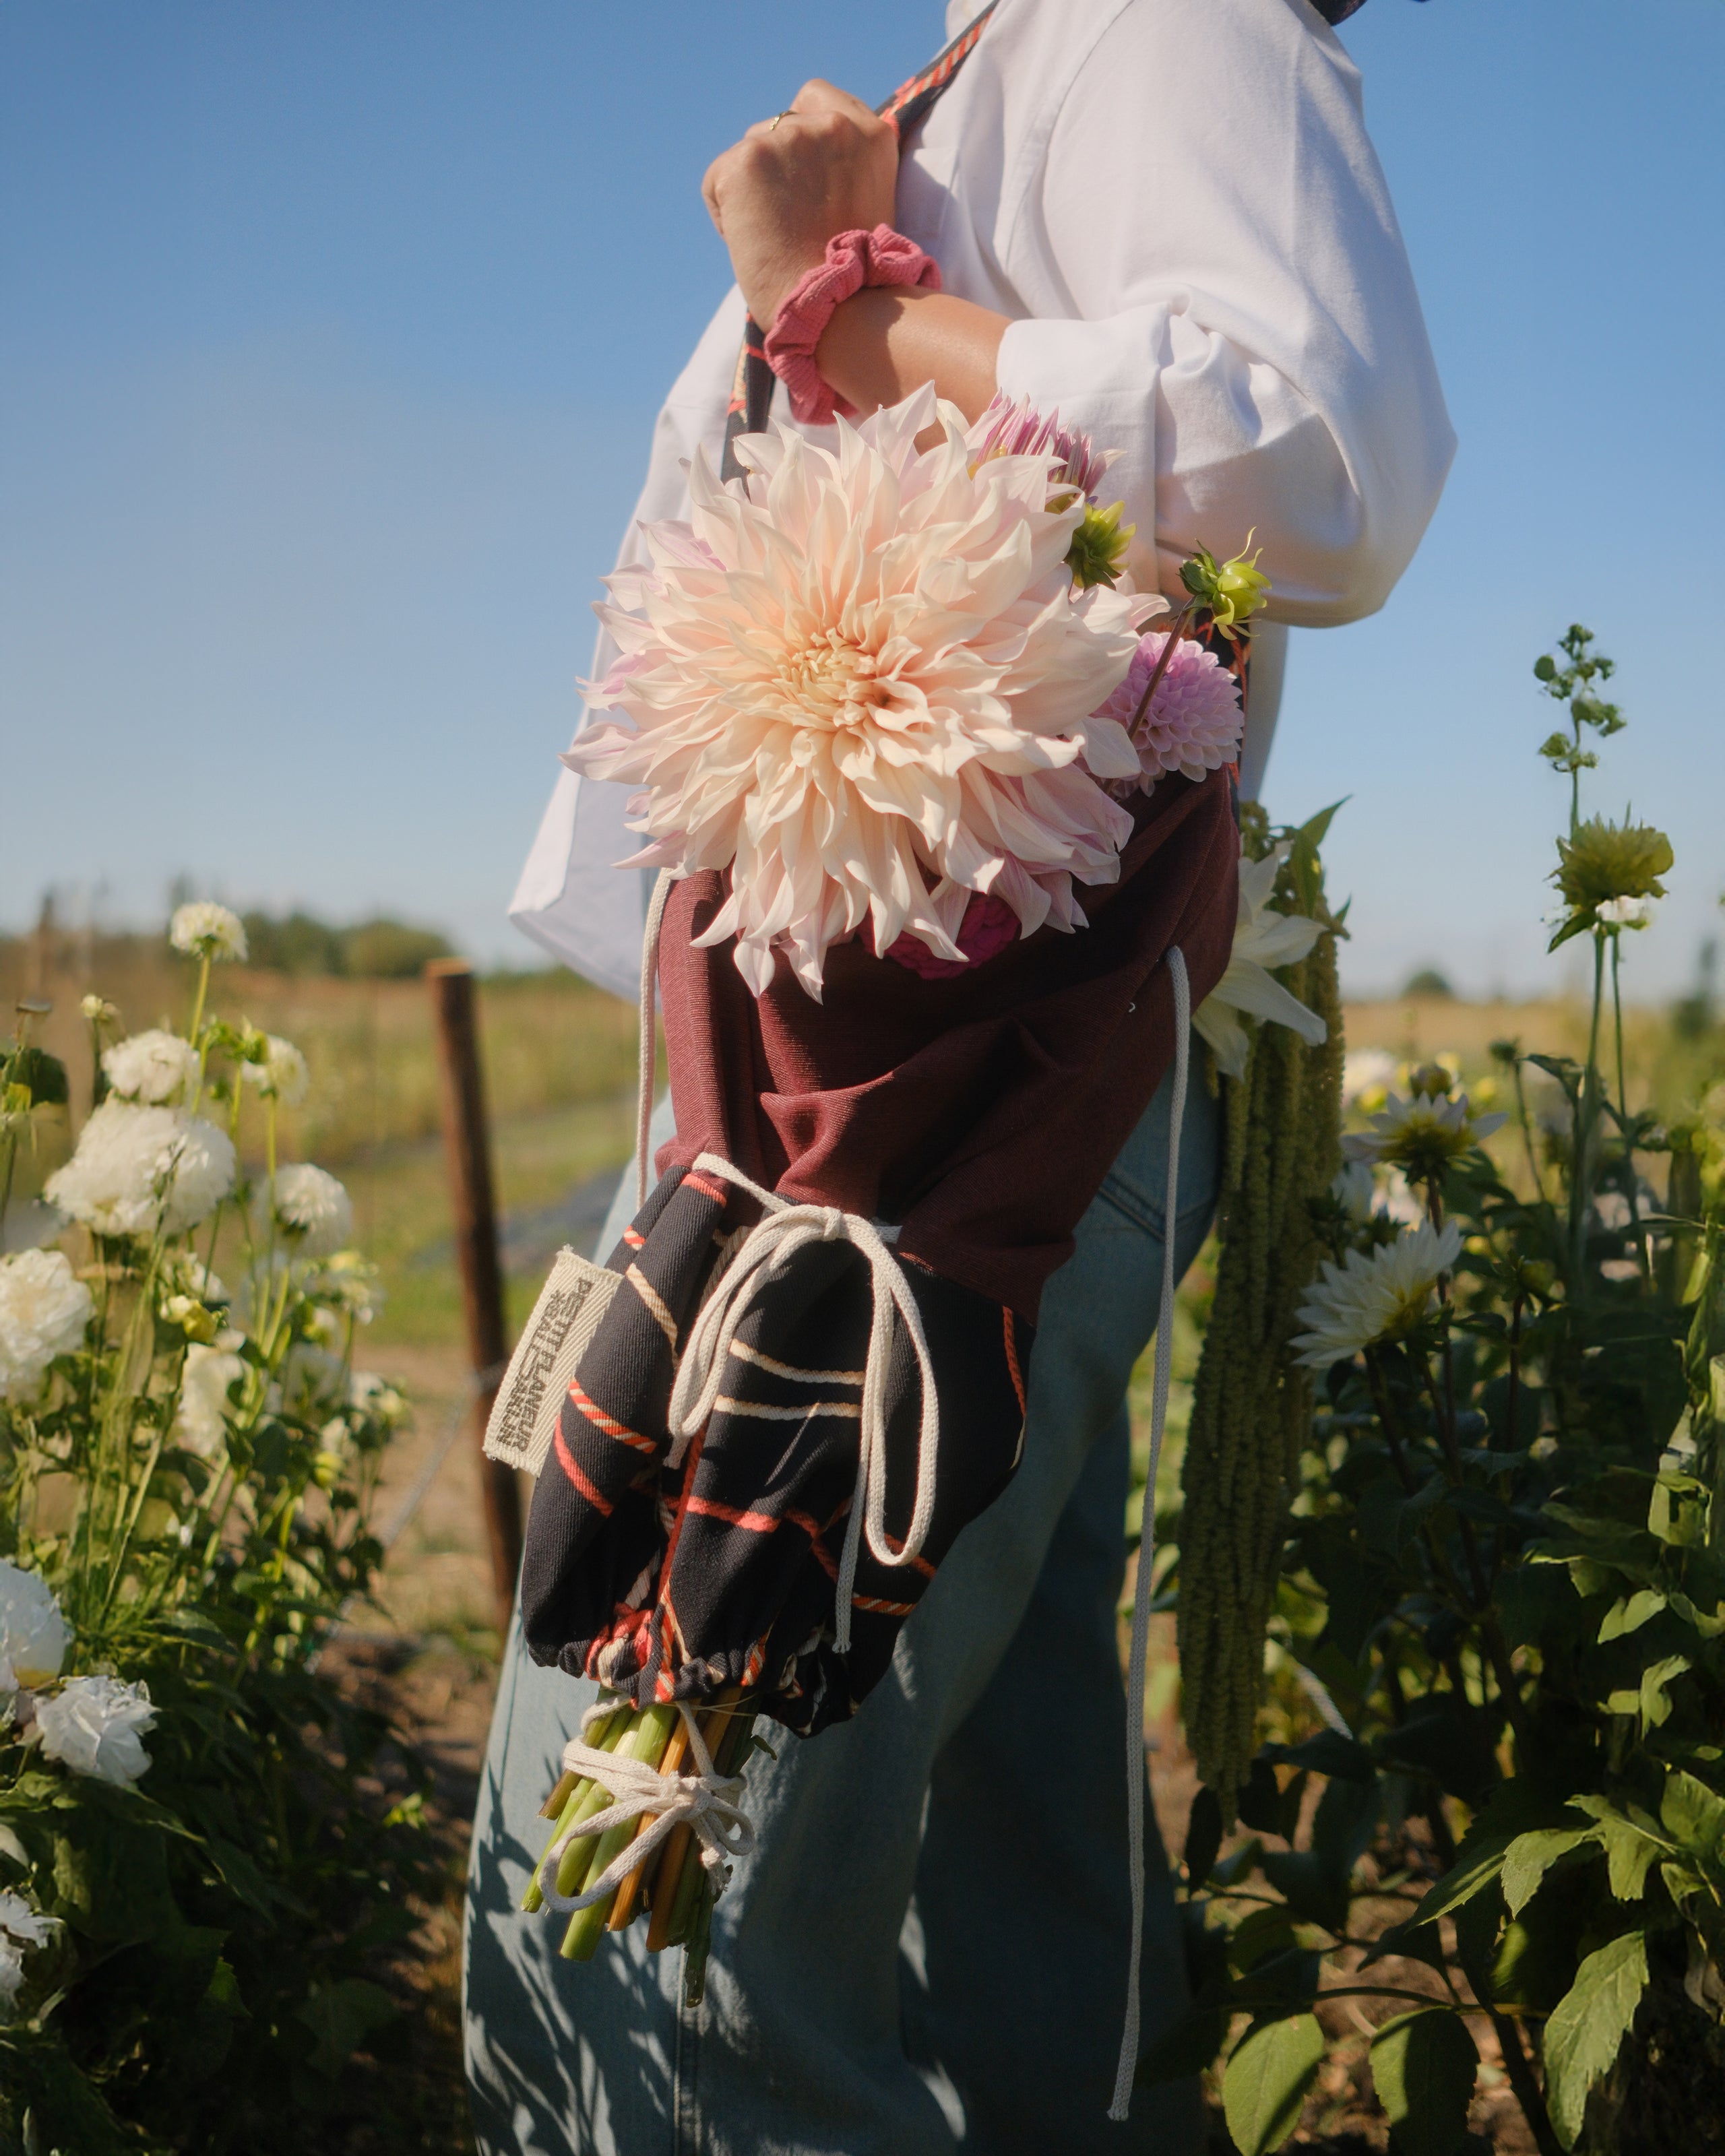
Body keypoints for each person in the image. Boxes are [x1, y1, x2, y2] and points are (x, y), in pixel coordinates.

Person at [466, 3, 1453, 2151]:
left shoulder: (1156, 20)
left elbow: (1319, 453)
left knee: (647, 1957)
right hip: (889, 1088)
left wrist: (850, 307)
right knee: (1001, 1887)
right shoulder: (988, 73)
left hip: (911, 1114)